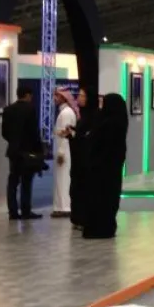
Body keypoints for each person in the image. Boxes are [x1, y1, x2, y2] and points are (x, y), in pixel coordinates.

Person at [82, 93, 129, 239]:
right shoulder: (120, 121)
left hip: (101, 169)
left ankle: (98, 228)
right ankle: (107, 227)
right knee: (110, 199)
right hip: (112, 169)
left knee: (99, 199)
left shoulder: (108, 124)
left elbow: (99, 145)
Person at [1, 87, 43, 221]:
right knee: (26, 181)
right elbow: (34, 132)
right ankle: (26, 210)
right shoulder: (30, 109)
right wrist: (39, 150)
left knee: (13, 181)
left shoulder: (8, 110)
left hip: (13, 151)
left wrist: (14, 142)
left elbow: (4, 132)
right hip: (27, 152)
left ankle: (13, 211)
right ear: (28, 95)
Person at [50, 88, 79, 218]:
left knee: (63, 179)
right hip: (64, 150)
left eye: (56, 96)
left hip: (64, 151)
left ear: (63, 97)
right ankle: (62, 206)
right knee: (62, 179)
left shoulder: (66, 113)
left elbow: (65, 134)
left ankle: (64, 207)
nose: (54, 98)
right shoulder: (64, 112)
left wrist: (61, 152)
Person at [69, 88, 95, 229]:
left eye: (82, 95)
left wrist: (75, 135)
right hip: (78, 161)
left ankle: (83, 218)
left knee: (83, 190)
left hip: (85, 162)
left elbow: (86, 138)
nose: (79, 97)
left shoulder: (91, 117)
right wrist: (72, 134)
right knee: (76, 189)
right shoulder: (83, 116)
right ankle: (77, 218)